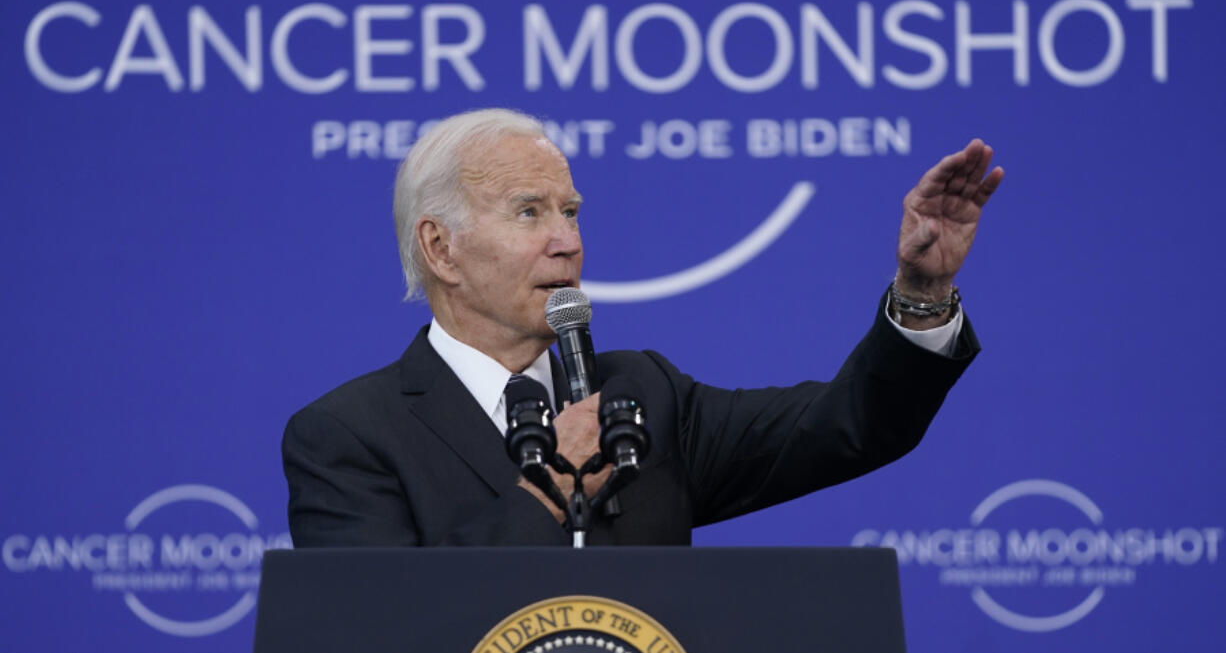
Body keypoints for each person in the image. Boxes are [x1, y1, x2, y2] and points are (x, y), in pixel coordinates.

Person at [282, 108, 1003, 547]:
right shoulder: (348, 436)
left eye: (571, 212)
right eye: (531, 212)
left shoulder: (642, 394)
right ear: (441, 248)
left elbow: (853, 423)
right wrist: (550, 487)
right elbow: (375, 626)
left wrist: (923, 289)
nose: (567, 241)